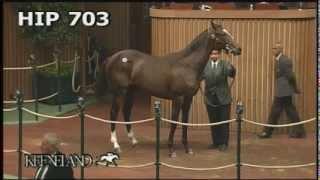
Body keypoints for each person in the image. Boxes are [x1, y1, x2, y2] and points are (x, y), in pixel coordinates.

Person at [258, 42, 306, 139]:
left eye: (275, 48)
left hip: (283, 92)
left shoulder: (284, 60)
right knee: (291, 111)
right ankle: (300, 131)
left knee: (275, 112)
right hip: (283, 91)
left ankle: (267, 132)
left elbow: (291, 76)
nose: (273, 50)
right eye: (273, 48)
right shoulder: (279, 60)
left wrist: (295, 88)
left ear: (280, 49)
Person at [201, 49, 236, 151]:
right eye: (212, 53)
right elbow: (201, 79)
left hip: (223, 98)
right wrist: (203, 93)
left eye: (216, 53)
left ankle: (224, 143)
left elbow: (232, 73)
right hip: (210, 98)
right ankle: (216, 142)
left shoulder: (224, 64)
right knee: (213, 121)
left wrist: (230, 60)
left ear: (219, 55)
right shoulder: (205, 66)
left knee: (224, 121)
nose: (214, 55)